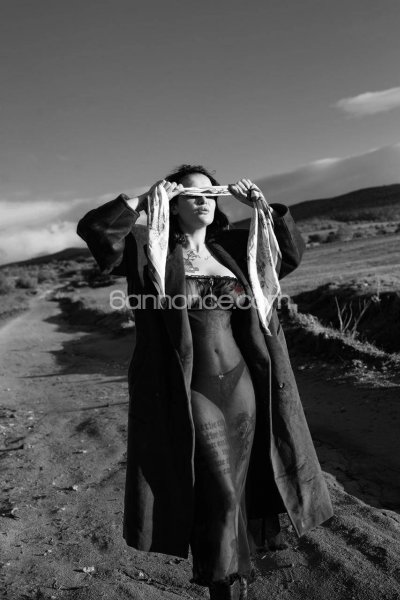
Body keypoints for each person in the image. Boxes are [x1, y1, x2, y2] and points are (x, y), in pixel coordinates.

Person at [76, 164, 334, 600]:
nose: (203, 201)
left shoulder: (234, 248)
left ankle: (233, 583)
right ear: (174, 205)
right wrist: (142, 201)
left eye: (211, 194)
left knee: (239, 486)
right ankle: (223, 585)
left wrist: (264, 209)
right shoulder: (148, 249)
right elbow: (97, 231)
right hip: (188, 389)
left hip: (242, 387)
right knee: (221, 491)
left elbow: (287, 256)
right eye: (191, 195)